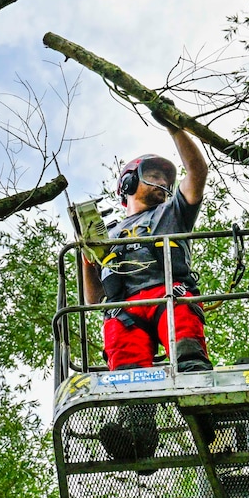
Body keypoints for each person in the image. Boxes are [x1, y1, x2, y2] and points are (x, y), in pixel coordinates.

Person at [80, 111, 212, 470]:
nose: (161, 184)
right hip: (124, 312)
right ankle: (138, 437)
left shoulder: (172, 213)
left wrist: (174, 128)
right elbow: (92, 301)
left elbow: (196, 174)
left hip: (169, 294)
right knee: (127, 370)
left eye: (165, 179)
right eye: (152, 177)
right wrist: (87, 255)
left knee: (185, 345)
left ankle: (203, 410)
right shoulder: (108, 235)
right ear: (128, 184)